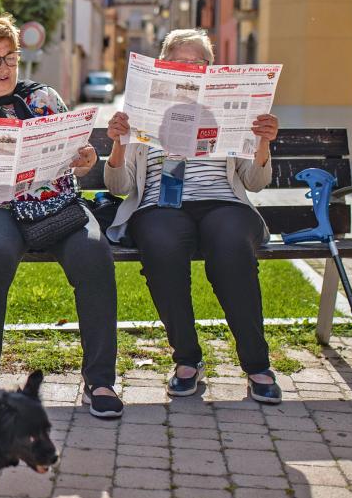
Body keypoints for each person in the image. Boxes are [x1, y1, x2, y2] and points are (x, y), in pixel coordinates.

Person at [0, 10, 123, 418]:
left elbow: (79, 155)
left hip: (57, 204)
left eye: (10, 58)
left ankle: (100, 380)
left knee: (94, 254)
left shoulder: (43, 98)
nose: (4, 69)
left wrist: (86, 158)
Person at [104, 28, 282, 404]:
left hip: (223, 203)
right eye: (179, 62)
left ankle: (256, 363)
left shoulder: (230, 105)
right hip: (160, 207)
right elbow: (120, 187)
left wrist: (263, 141)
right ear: (164, 66)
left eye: (198, 62)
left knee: (232, 244)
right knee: (160, 243)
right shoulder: (140, 109)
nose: (189, 68)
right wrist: (117, 145)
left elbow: (254, 181)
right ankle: (187, 359)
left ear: (210, 68)